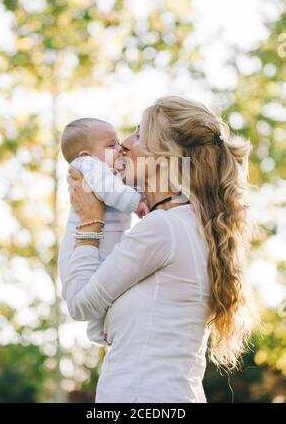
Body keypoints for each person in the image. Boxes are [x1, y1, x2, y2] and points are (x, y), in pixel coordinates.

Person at [60, 96, 257, 403]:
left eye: (138, 135)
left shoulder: (164, 229)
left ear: (164, 157)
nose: (124, 144)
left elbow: (80, 305)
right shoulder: (186, 224)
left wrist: (89, 221)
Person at [58, 117, 148, 345]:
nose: (119, 149)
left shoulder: (110, 171)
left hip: (104, 245)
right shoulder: (88, 167)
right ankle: (98, 330)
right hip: (78, 247)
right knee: (88, 285)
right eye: (111, 145)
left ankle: (100, 330)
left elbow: (122, 186)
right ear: (85, 154)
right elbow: (111, 191)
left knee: (102, 286)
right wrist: (138, 204)